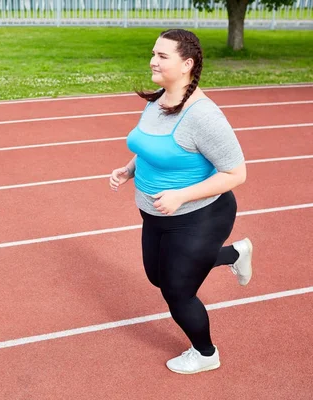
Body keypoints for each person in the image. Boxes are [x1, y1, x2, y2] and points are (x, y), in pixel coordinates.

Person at [109, 29, 253, 375]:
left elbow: (236, 173)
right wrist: (129, 170)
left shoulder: (203, 116)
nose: (152, 61)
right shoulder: (157, 100)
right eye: (153, 54)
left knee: (177, 291)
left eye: (162, 56)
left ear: (187, 64)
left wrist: (181, 195)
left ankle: (206, 353)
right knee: (157, 276)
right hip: (157, 214)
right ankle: (235, 254)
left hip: (200, 214)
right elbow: (150, 147)